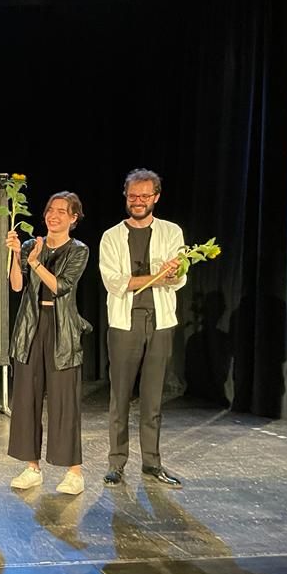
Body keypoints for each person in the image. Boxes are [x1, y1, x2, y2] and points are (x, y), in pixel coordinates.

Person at [99, 168, 186, 487]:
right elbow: (114, 282)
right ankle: (116, 462)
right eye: (133, 196)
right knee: (120, 397)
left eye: (145, 196)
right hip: (125, 323)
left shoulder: (171, 232)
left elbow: (179, 278)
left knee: (152, 399)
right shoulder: (111, 236)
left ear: (156, 197)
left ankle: (152, 462)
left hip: (160, 321)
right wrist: (157, 277)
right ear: (126, 196)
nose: (138, 201)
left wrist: (170, 275)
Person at [6, 192, 92, 496]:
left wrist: (35, 263)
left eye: (61, 211)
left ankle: (74, 473)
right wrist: (16, 256)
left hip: (61, 329)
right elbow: (17, 285)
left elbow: (61, 286)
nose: (53, 216)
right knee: (26, 399)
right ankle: (32, 468)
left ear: (73, 218)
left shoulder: (78, 250)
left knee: (64, 402)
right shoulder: (31, 245)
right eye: (50, 210)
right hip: (31, 327)